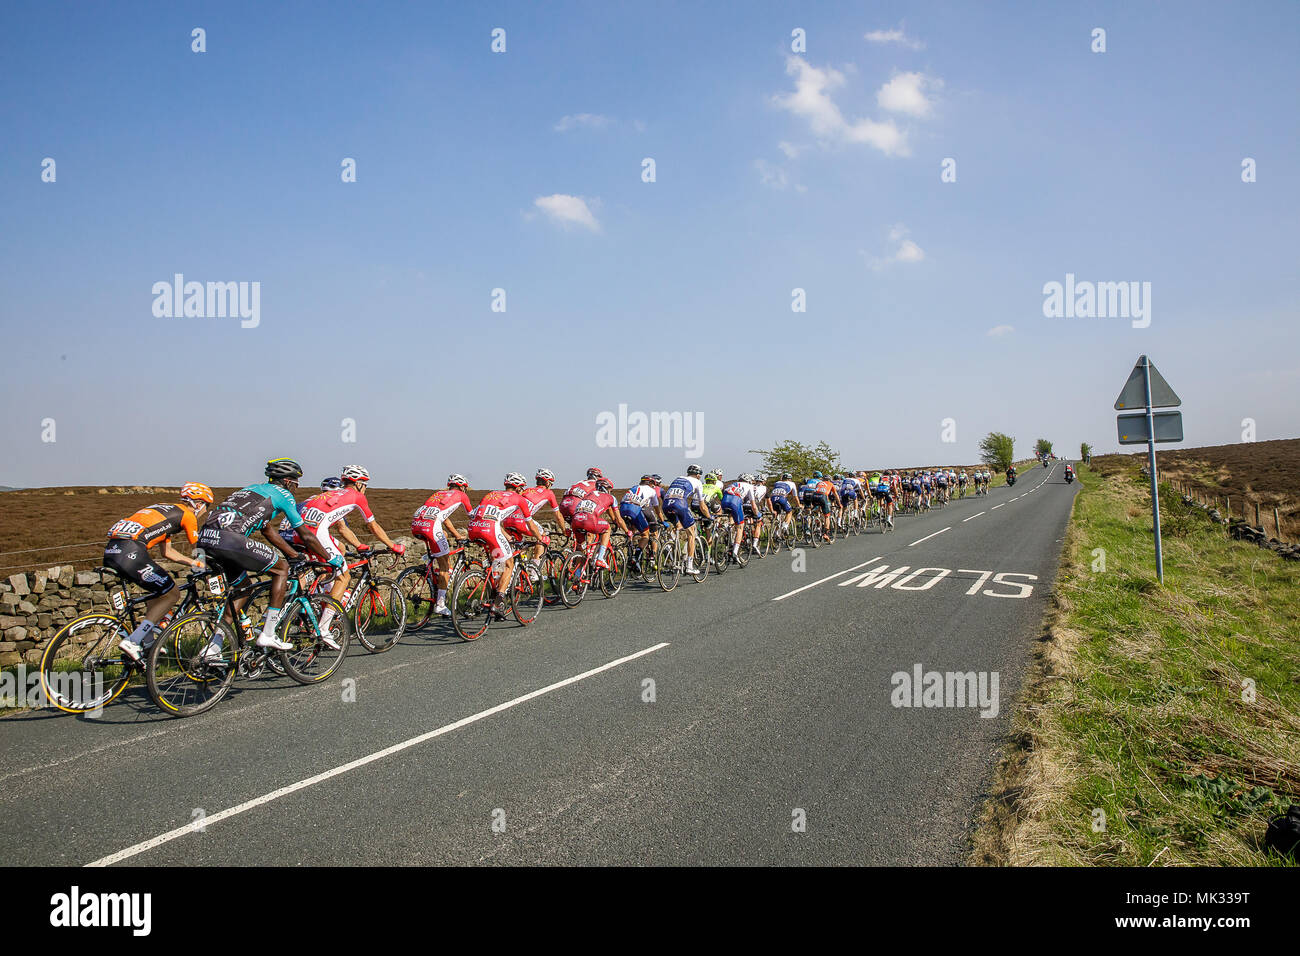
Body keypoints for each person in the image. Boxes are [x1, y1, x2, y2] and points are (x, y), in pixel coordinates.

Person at [197, 458, 337, 658]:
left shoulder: (252, 489)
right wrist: (328, 558)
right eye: (296, 483)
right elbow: (305, 535)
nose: (297, 488)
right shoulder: (284, 495)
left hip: (205, 541)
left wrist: (294, 554)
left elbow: (268, 532)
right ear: (288, 481)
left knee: (242, 590)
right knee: (281, 570)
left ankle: (213, 647)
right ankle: (269, 633)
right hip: (230, 540)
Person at [285, 465, 404, 640]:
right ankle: (324, 629)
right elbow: (372, 526)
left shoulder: (328, 494)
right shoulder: (356, 496)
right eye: (365, 485)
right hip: (316, 534)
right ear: (358, 484)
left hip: (297, 533)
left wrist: (358, 544)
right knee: (344, 576)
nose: (365, 489)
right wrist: (393, 546)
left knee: (328, 569)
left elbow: (339, 527)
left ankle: (312, 607)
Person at [109, 482, 214, 662]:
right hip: (131, 552)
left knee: (157, 592)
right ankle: (133, 640)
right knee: (172, 594)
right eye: (207, 506)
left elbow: (167, 553)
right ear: (198, 503)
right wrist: (204, 566)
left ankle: (147, 640)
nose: (205, 511)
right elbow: (198, 548)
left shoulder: (166, 511)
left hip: (113, 551)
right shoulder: (188, 515)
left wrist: (192, 563)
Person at [466, 474, 550, 618]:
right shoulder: (519, 499)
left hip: (473, 528)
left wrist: (508, 537)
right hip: (490, 529)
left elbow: (474, 514)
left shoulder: (491, 494)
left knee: (497, 560)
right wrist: (539, 539)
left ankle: (492, 588)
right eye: (522, 489)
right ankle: (498, 602)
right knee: (509, 564)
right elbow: (530, 524)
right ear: (519, 488)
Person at [411, 474, 473, 617]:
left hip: (416, 524)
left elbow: (444, 518)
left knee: (443, 537)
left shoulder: (438, 494)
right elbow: (472, 515)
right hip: (431, 526)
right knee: (445, 566)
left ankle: (433, 565)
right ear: (463, 487)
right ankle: (440, 605)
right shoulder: (461, 495)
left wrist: (456, 535)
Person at [661, 465, 713, 575]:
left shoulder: (678, 478)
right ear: (698, 475)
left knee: (678, 526)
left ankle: (671, 546)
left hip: (666, 505)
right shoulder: (698, 482)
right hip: (680, 504)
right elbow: (702, 506)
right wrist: (709, 517)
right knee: (692, 533)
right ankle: (689, 566)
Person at [571, 477, 630, 571]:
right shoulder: (611, 498)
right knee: (607, 528)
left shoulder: (589, 494)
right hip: (589, 520)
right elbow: (619, 520)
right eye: (610, 489)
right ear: (607, 488)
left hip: (575, 520)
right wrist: (627, 531)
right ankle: (600, 558)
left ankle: (577, 578)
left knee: (582, 552)